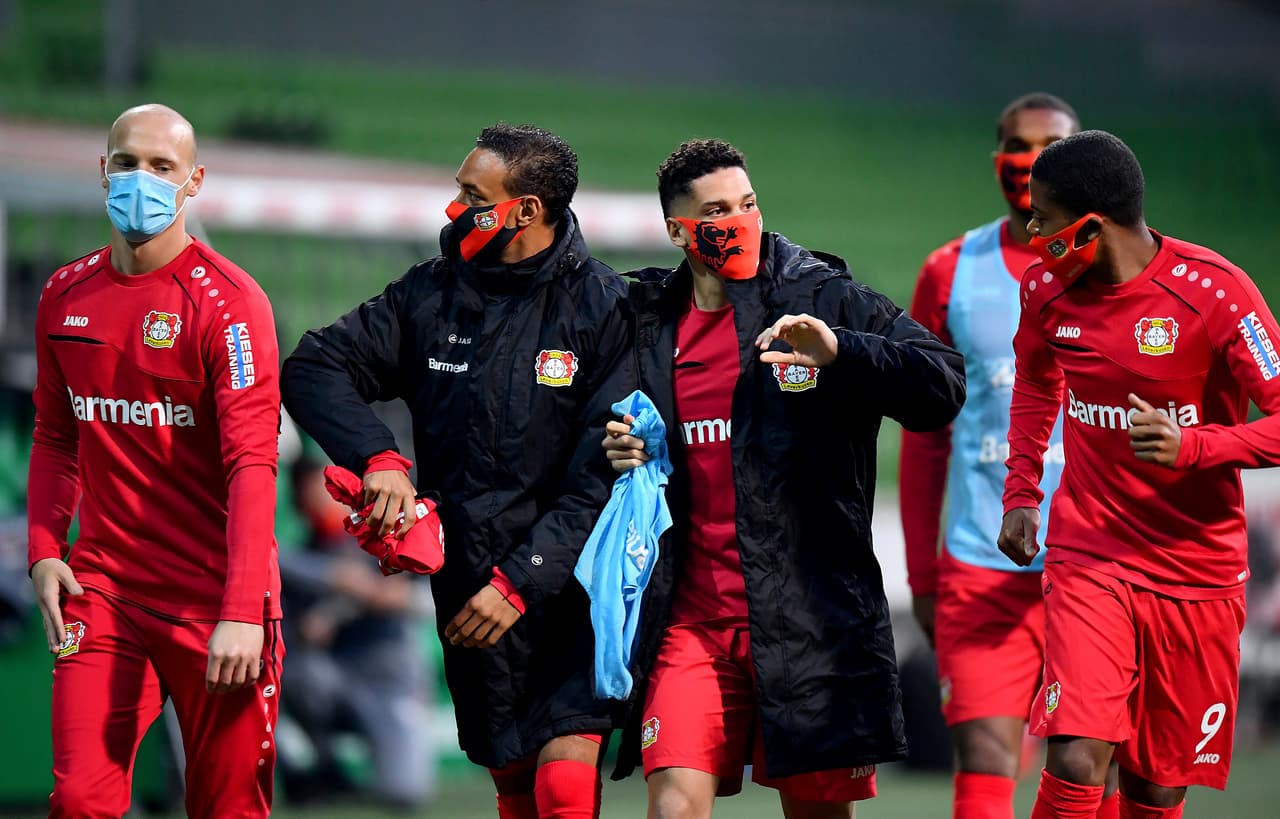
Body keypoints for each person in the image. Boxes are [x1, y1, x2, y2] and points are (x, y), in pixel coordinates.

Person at [603, 139, 966, 819]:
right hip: (692, 624)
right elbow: (605, 426)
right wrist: (615, 445)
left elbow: (942, 382)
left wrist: (843, 351)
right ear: (679, 230)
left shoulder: (820, 295)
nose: (739, 221)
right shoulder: (646, 323)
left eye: (748, 204)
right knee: (673, 806)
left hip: (810, 622)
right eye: (717, 211)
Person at [280, 123, 630, 819]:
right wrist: (379, 459)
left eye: (472, 194)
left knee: (563, 788)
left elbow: (603, 478)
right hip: (467, 594)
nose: (455, 208)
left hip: (568, 597)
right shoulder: (429, 296)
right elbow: (315, 366)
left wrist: (522, 581)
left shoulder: (604, 307)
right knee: (517, 791)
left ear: (526, 209)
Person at [999, 130, 1280, 819]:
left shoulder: (1216, 294)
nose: (1031, 230)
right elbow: (1036, 383)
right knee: (1075, 755)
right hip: (1090, 552)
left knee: (1155, 787)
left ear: (1090, 226)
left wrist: (1194, 447)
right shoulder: (1044, 289)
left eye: (1044, 217)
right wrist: (1022, 491)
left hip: (1198, 574)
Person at [27, 103, 284, 818]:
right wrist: (45, 548)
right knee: (79, 800)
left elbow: (251, 466)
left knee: (227, 807)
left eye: (162, 167)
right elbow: (55, 435)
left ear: (193, 181)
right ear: (101, 170)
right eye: (127, 162)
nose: (141, 179)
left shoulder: (231, 306)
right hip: (105, 591)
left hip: (216, 602)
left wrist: (241, 611)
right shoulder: (63, 294)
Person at [899, 93, 1118, 819]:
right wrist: (923, 576)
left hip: (1103, 569)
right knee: (987, 756)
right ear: (996, 158)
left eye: (1049, 145)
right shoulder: (950, 271)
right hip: (980, 566)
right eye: (1015, 145)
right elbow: (927, 435)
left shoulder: (1129, 271)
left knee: (1093, 763)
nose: (1029, 160)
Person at [277, 455, 438, 808]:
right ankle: (322, 766)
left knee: (404, 792)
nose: (312, 501)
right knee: (290, 668)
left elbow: (428, 601)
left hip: (388, 682)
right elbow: (276, 562)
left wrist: (374, 596)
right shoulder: (305, 554)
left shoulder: (384, 533)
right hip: (333, 679)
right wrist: (338, 586)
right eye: (303, 492)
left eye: (322, 491)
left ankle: (369, 767)